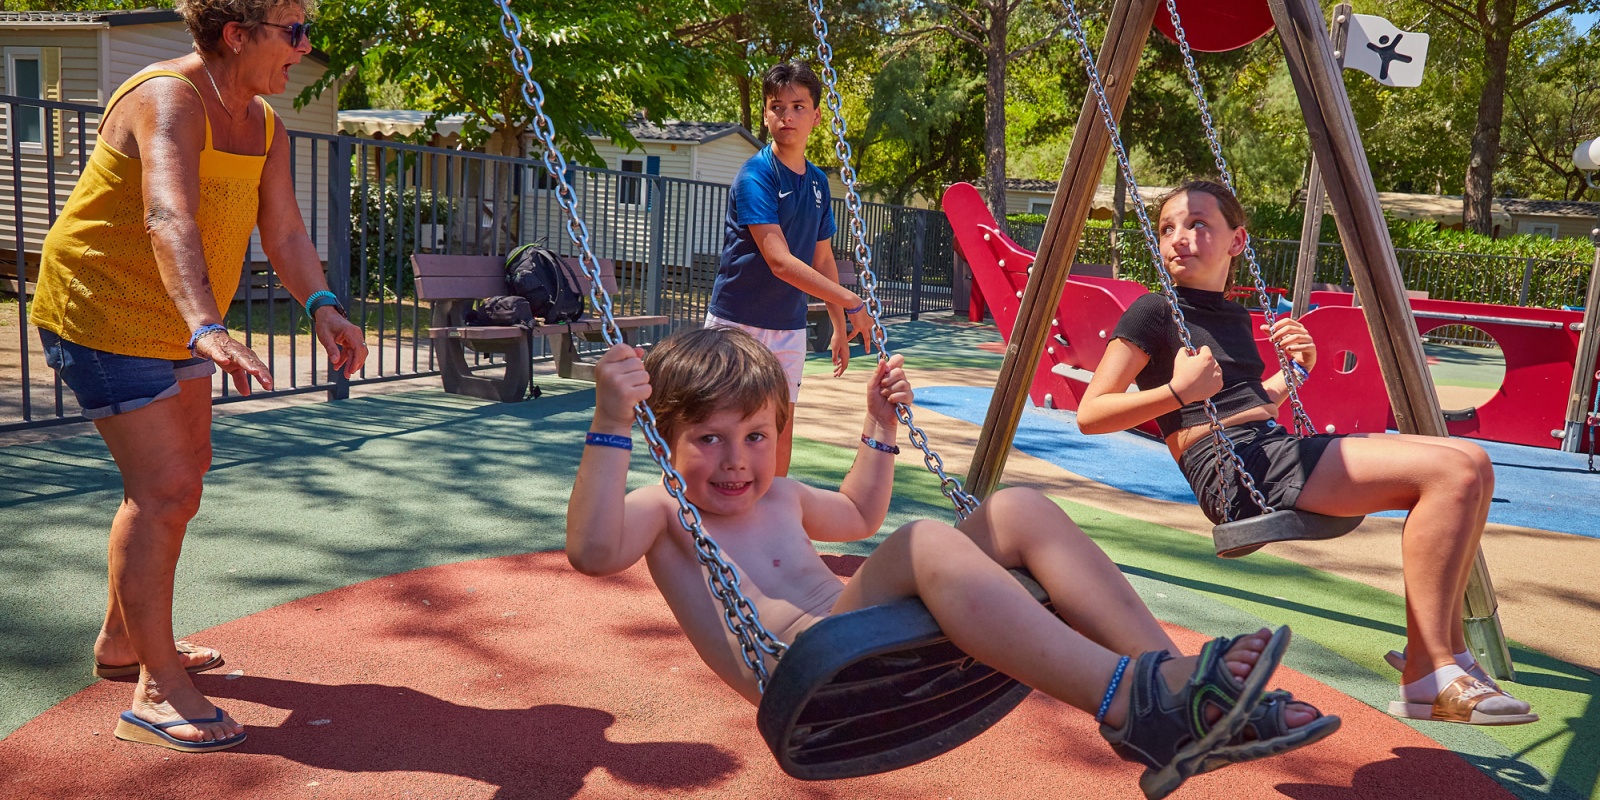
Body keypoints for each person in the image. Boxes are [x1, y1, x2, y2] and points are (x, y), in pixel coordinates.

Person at [567, 327, 1337, 799]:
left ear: (779, 433)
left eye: (756, 437)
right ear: (664, 441)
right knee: (927, 541)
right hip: (801, 665)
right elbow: (594, 552)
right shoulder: (664, 511)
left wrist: (879, 426)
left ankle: (1181, 695)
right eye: (708, 439)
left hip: (852, 630)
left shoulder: (783, 494)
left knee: (1021, 507)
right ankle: (1127, 698)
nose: (736, 462)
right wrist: (608, 421)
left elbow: (861, 515)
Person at [27, 0, 369, 752]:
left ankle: (125, 646)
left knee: (182, 479)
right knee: (164, 489)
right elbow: (167, 215)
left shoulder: (266, 123)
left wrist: (322, 306)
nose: (307, 45)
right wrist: (209, 326)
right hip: (105, 309)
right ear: (236, 34)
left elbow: (282, 230)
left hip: (181, 317)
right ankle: (154, 691)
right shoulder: (166, 97)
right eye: (295, 30)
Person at [1076, 179, 1537, 727]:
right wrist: (1176, 393)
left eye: (1199, 224)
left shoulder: (1231, 316)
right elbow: (1090, 414)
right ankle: (1429, 670)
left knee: (1471, 463)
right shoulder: (1153, 312)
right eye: (1168, 227)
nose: (1180, 237)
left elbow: (1251, 407)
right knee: (1450, 473)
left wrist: (1295, 372)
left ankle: (1445, 658)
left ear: (1236, 241)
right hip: (1233, 471)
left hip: (1267, 448)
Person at [704, 61, 873, 476]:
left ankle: (769, 524)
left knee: (778, 430)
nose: (787, 116)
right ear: (765, 114)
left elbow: (823, 259)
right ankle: (685, 523)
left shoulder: (816, 182)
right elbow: (779, 261)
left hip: (788, 327)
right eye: (777, 106)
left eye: (798, 106)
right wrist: (851, 301)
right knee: (716, 426)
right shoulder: (755, 176)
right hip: (737, 322)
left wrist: (837, 323)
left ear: (816, 116)